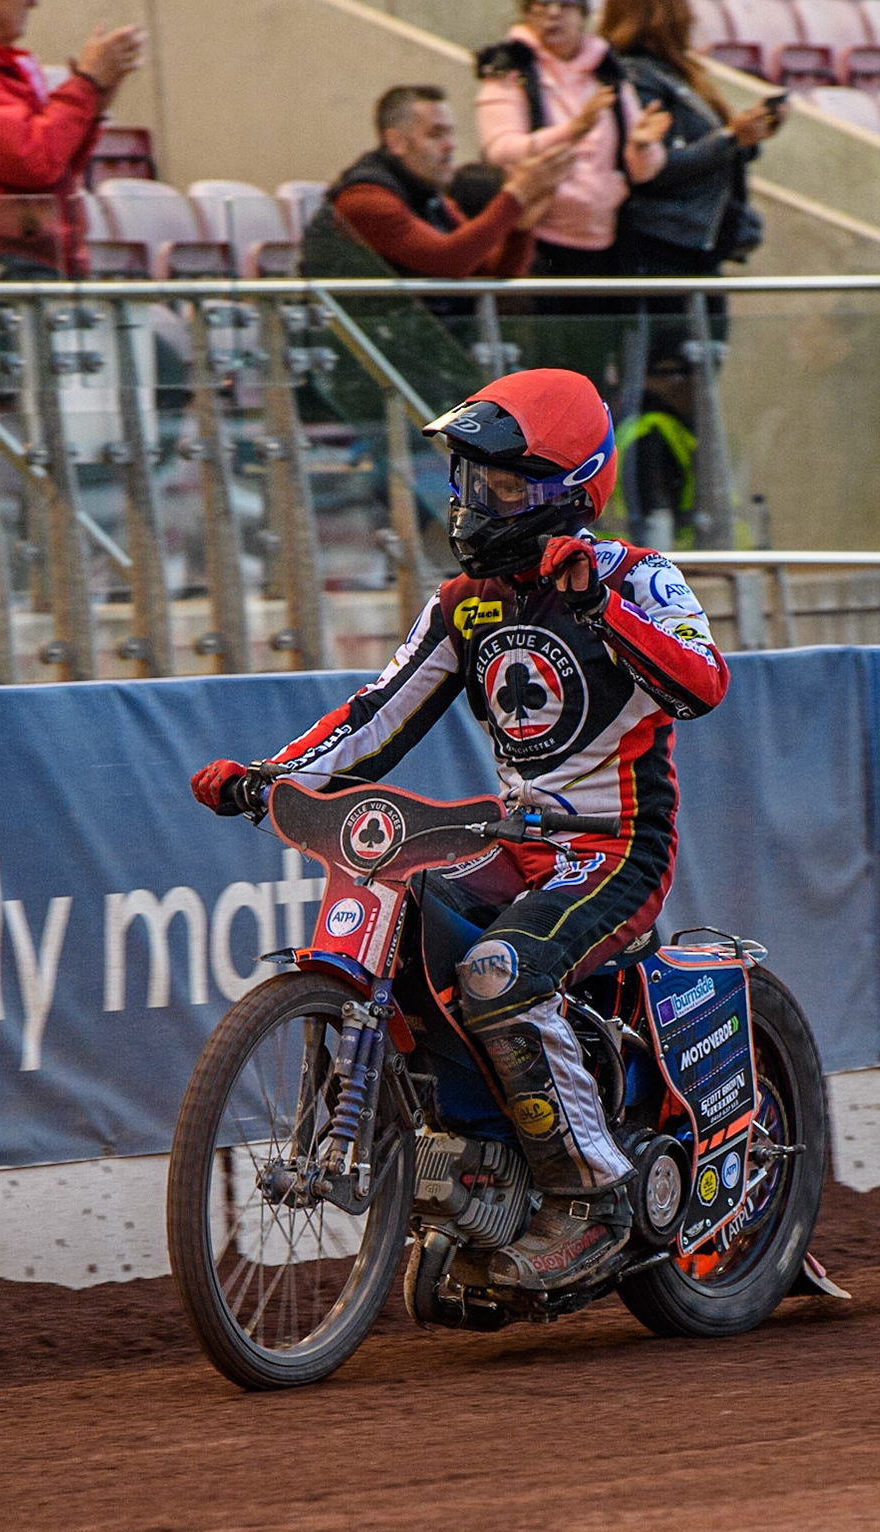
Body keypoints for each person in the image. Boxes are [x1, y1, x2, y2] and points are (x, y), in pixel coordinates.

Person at [191, 368, 729, 1293]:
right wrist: (271, 776)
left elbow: (701, 683)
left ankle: (593, 1198)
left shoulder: (638, 575)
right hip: (518, 848)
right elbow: (376, 715)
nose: (477, 500)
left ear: (571, 487)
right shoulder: (462, 602)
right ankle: (479, 1165)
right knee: (408, 919)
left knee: (495, 973)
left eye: (505, 483)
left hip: (616, 852)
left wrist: (602, 609)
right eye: (469, 479)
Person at [0, 0, 145, 275]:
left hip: (23, 261)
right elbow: (34, 160)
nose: (34, 3)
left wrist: (94, 101)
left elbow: (59, 166)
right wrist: (86, 85)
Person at [475, 0, 671, 283]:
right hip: (533, 242)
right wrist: (573, 131)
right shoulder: (507, 71)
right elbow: (499, 152)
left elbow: (642, 170)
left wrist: (643, 148)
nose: (552, 13)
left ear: (583, 15)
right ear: (527, 12)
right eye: (541, 4)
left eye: (565, 4)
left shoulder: (608, 72)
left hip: (605, 243)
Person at [306, 84, 574, 282]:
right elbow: (447, 261)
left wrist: (521, 227)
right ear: (396, 142)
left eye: (450, 134)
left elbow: (488, 271)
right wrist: (515, 195)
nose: (450, 146)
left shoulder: (429, 196)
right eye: (436, 135)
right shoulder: (364, 199)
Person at [601, 0, 785, 285]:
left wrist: (750, 134)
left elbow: (705, 151)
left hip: (696, 245)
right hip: (663, 248)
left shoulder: (679, 74)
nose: (692, 20)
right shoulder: (639, 77)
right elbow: (657, 169)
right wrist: (731, 138)